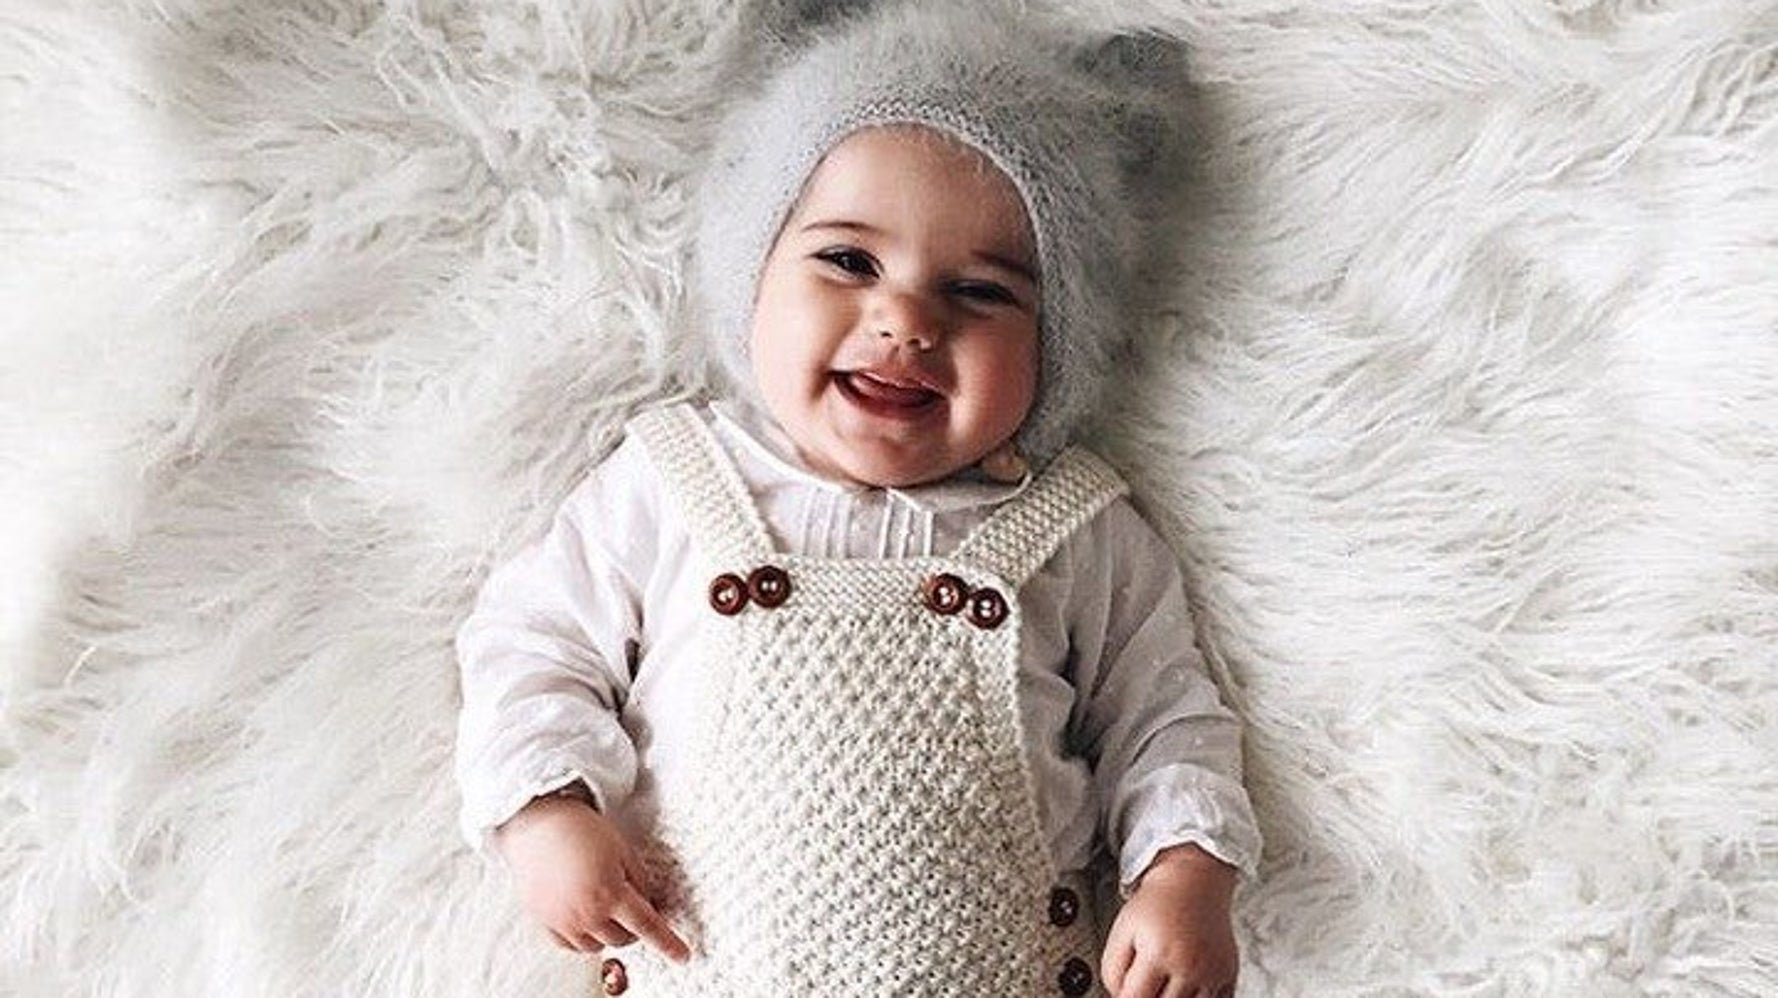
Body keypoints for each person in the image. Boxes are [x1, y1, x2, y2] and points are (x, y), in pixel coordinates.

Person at [454, 5, 1262, 996]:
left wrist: (1184, 873)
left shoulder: (1078, 534)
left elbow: (1165, 718)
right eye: (849, 261)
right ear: (753, 276)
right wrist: (546, 809)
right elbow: (532, 645)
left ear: (1056, 345)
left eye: (980, 292)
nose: (905, 319)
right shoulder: (671, 481)